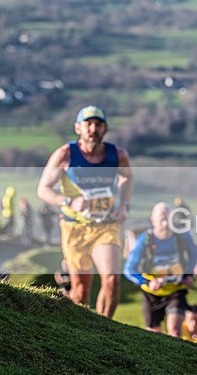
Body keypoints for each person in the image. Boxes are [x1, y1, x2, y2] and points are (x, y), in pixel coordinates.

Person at [37, 105, 133, 318]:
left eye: (98, 124)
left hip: (105, 226)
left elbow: (127, 177)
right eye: (88, 124)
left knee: (112, 279)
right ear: (78, 128)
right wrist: (69, 201)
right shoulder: (65, 154)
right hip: (74, 227)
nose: (93, 129)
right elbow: (43, 189)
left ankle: (103, 329)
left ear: (105, 129)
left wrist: (124, 204)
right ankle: (77, 328)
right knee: (81, 291)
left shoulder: (117, 155)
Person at [124, 202, 197, 337]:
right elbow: (128, 269)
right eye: (162, 218)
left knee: (174, 330)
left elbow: (194, 255)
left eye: (168, 217)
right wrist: (146, 282)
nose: (165, 222)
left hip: (176, 289)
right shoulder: (145, 240)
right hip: (151, 293)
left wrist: (189, 274)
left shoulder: (182, 236)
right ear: (153, 220)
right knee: (154, 334)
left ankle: (177, 357)